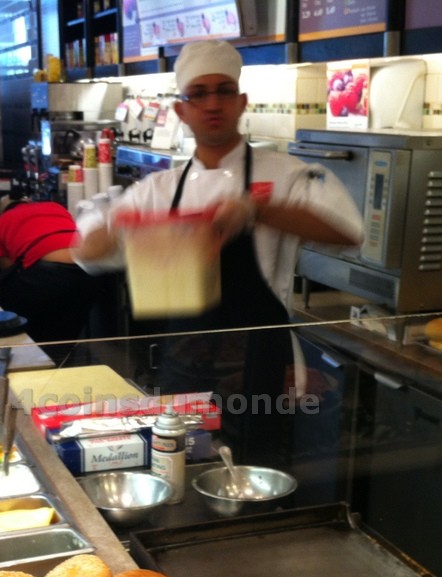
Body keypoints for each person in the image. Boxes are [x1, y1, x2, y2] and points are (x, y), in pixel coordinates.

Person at [75, 39, 363, 463]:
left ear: (241, 100)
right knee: (180, 464)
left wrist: (257, 209)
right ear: (181, 110)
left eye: (224, 91)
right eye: (199, 94)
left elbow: (346, 230)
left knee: (259, 469)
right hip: (182, 362)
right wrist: (119, 226)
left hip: (262, 363)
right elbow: (88, 252)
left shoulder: (287, 174)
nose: (213, 103)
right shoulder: (159, 189)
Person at [0, 195, 100, 358]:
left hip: (44, 275)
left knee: (36, 335)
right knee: (67, 333)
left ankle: (36, 364)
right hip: (87, 270)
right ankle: (66, 365)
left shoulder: (0, 223)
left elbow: (8, 268)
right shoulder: (55, 206)